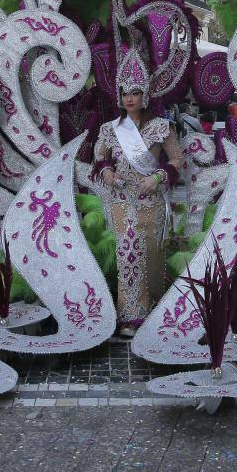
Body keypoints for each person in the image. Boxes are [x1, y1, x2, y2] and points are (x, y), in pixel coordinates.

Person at [91, 51, 183, 337]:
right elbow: (100, 158)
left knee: (151, 257)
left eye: (135, 92)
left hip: (149, 202)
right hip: (122, 201)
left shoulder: (162, 128)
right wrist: (107, 173)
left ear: (146, 95)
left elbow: (177, 159)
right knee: (128, 254)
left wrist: (157, 177)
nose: (129, 98)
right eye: (124, 93)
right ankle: (130, 315)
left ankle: (154, 308)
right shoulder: (110, 130)